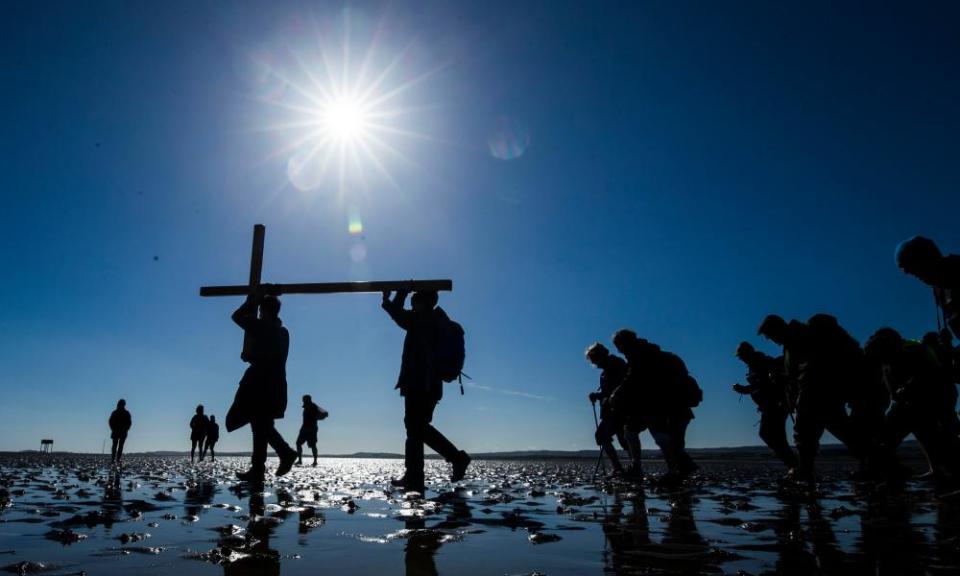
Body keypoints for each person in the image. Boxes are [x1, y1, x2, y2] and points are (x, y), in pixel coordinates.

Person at [382, 289, 471, 494]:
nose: (412, 303)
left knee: (416, 428)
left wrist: (397, 295)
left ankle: (455, 458)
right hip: (427, 384)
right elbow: (400, 315)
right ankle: (415, 476)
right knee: (415, 429)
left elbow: (398, 315)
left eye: (415, 299)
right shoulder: (436, 319)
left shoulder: (423, 319)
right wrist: (395, 298)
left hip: (421, 383)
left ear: (425, 302)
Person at [758, 314, 862, 483]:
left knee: (808, 432)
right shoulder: (792, 343)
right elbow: (795, 374)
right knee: (836, 431)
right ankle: (882, 463)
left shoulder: (801, 335)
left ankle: (805, 471)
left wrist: (803, 391)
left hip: (818, 391)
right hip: (818, 391)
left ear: (777, 329)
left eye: (771, 336)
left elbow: (814, 365)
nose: (772, 340)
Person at [865, 328, 960, 494]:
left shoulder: (912, 350)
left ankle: (949, 473)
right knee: (926, 437)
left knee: (935, 438)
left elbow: (928, 375)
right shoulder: (889, 359)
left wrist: (906, 389)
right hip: (911, 402)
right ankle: (906, 475)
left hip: (929, 399)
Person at [226, 292, 297, 483]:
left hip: (260, 383)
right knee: (260, 425)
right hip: (276, 384)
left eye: (260, 309)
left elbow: (236, 317)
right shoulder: (283, 332)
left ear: (263, 310)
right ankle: (259, 468)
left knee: (257, 424)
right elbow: (273, 356)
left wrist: (252, 301)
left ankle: (284, 453)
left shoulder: (260, 326)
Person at [612, 330, 699, 484]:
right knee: (662, 437)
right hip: (663, 404)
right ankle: (677, 470)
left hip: (655, 404)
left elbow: (632, 379)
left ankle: (671, 470)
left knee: (656, 436)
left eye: (618, 346)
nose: (618, 350)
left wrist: (615, 396)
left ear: (623, 344)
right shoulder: (654, 353)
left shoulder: (639, 356)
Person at [733, 342, 798, 473]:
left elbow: (767, 384)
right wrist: (743, 389)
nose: (742, 359)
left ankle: (795, 466)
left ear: (748, 353)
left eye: (742, 356)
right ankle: (795, 466)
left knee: (769, 435)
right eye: (740, 357)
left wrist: (744, 389)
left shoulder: (763, 363)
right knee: (773, 436)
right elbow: (759, 386)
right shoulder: (755, 365)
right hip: (770, 405)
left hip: (775, 405)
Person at [585, 342, 641, 477]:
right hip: (611, 410)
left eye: (594, 360)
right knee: (616, 438)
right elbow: (607, 392)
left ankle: (629, 468)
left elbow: (622, 386)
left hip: (619, 410)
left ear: (600, 356)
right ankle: (628, 468)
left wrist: (603, 397)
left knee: (610, 437)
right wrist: (597, 395)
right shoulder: (607, 370)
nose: (595, 364)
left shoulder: (616, 365)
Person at [896, 236, 960, 339]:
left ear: (928, 257)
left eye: (915, 269)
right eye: (912, 273)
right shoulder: (939, 290)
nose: (917, 277)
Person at [296, 394, 328, 467]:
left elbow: (325, 414)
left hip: (311, 428)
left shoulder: (313, 406)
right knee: (298, 443)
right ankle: (300, 460)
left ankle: (315, 461)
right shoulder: (306, 406)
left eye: (304, 399)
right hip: (304, 428)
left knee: (313, 445)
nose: (303, 401)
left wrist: (316, 418)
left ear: (308, 399)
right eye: (303, 399)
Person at [108, 399, 131, 463]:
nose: (122, 405)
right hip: (116, 431)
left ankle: (118, 459)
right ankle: (113, 459)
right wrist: (113, 428)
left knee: (120, 446)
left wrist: (126, 429)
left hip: (123, 432)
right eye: (121, 404)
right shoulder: (115, 412)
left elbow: (129, 423)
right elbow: (110, 421)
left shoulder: (126, 413)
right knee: (115, 445)